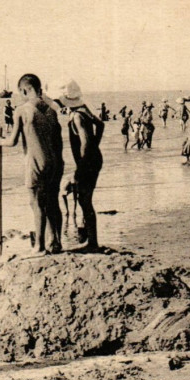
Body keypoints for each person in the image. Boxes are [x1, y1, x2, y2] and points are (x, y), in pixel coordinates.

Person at [0, 74, 64, 256]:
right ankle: (56, 242)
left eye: (21, 92)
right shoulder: (51, 109)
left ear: (24, 90)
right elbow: (57, 140)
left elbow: (12, 141)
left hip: (35, 161)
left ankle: (39, 247)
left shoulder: (22, 110)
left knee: (36, 203)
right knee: (52, 202)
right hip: (55, 162)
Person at [57, 79, 104, 251]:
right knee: (85, 199)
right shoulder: (86, 111)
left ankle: (92, 242)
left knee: (85, 200)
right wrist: (95, 146)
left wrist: (81, 167)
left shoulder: (77, 116)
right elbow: (101, 124)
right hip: (93, 158)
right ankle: (91, 240)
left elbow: (84, 141)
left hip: (88, 161)